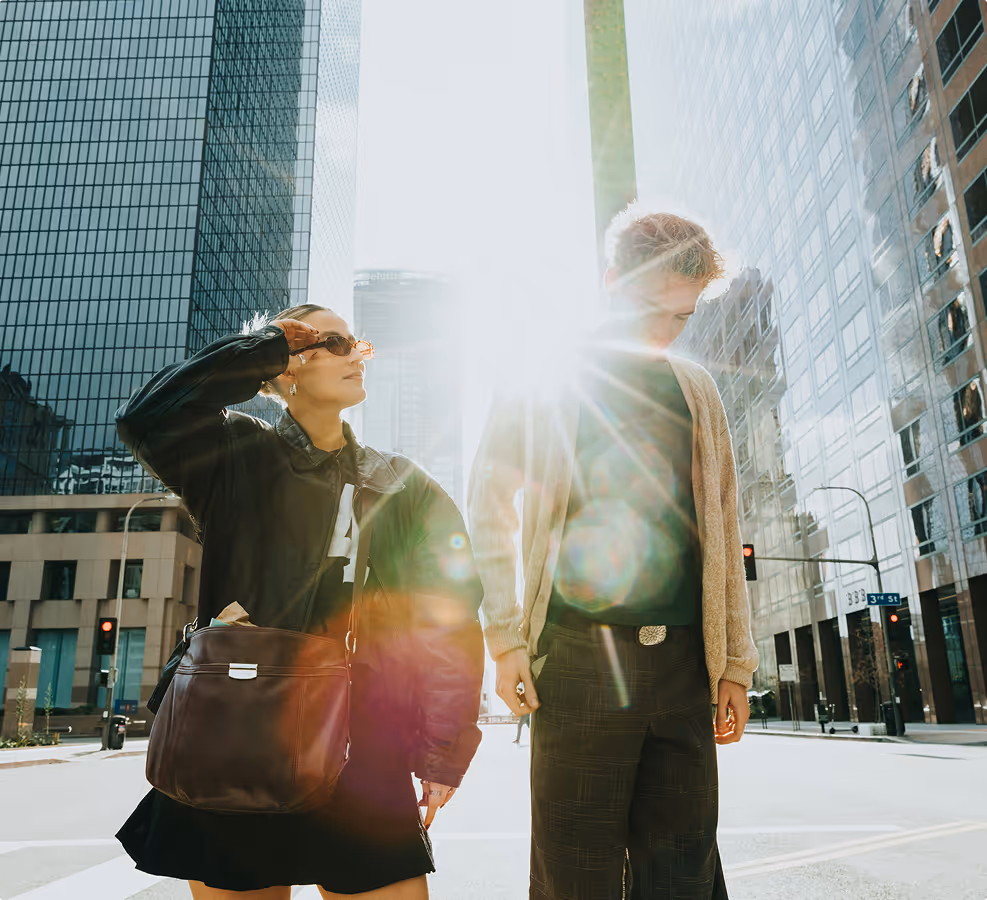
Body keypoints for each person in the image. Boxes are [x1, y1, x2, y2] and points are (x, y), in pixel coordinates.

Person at [115, 305, 486, 900]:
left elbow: (449, 617)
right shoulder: (234, 453)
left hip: (364, 737)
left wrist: (443, 749)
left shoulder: (401, 483)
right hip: (237, 728)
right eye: (329, 342)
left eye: (354, 343)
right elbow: (146, 417)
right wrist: (266, 346)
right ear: (285, 367)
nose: (351, 354)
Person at [468, 207, 758, 899]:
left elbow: (722, 524)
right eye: (650, 308)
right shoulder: (543, 377)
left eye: (680, 318)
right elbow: (486, 506)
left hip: (686, 664)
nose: (663, 329)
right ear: (610, 281)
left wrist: (735, 666)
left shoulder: (697, 390)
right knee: (575, 879)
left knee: (682, 880)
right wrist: (505, 638)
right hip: (575, 661)